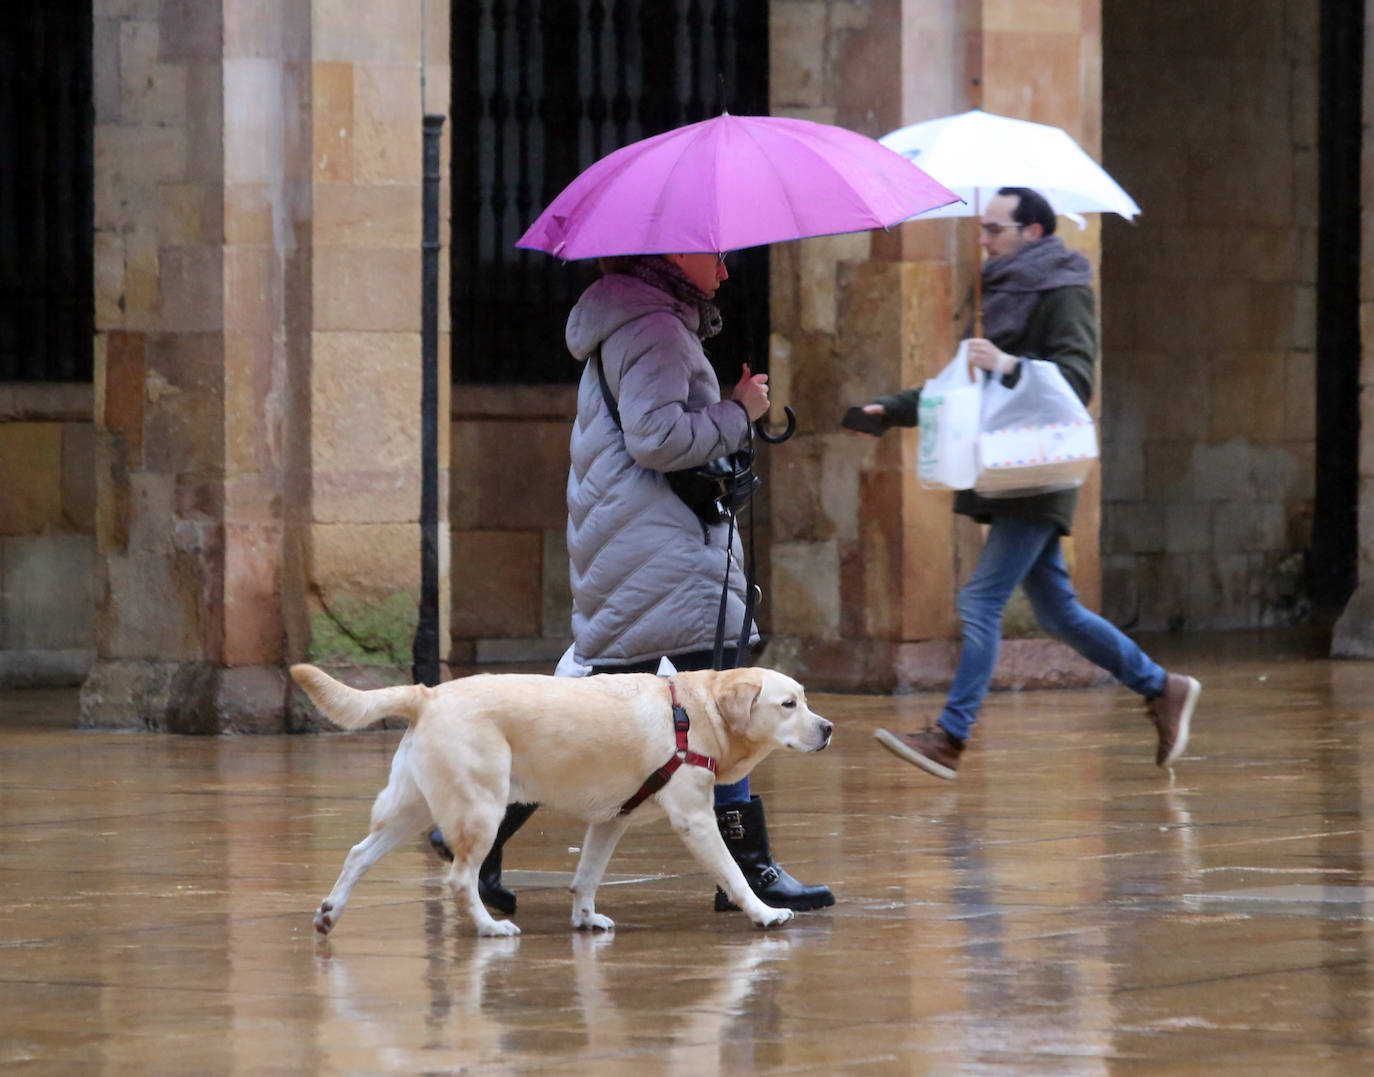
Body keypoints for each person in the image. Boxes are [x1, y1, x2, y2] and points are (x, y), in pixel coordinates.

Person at [853, 187, 1200, 779]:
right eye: (983, 229)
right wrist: (892, 409)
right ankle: (1161, 686)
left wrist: (1010, 366)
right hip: (1007, 469)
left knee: (980, 600)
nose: (983, 240)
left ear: (1032, 232)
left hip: (1037, 467)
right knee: (1058, 612)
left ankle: (951, 737)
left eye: (994, 229)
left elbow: (1077, 377)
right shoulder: (1002, 290)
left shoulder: (1061, 287)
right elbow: (969, 390)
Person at [534, 247, 832, 913]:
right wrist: (739, 412)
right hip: (665, 550)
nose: (724, 271)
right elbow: (657, 437)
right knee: (726, 705)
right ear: (672, 253)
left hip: (643, 546)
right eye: (715, 256)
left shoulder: (635, 320)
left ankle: (481, 834)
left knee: (586, 705)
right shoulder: (655, 327)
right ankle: (750, 873)